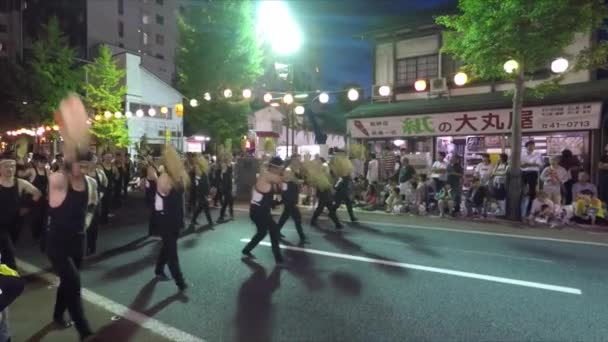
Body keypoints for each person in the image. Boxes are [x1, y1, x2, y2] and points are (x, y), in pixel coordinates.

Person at [46, 94, 97, 340]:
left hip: (78, 241)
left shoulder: (89, 183)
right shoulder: (59, 182)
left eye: (87, 165)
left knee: (68, 281)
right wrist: (69, 135)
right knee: (74, 284)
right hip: (57, 244)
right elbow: (62, 170)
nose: (84, 169)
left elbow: (92, 206)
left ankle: (57, 314)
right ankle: (84, 331)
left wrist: (86, 223)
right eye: (81, 165)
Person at [152, 146, 189, 291]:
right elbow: (163, 199)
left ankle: (158, 269)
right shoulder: (165, 178)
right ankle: (180, 282)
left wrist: (183, 217)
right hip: (165, 219)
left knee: (168, 246)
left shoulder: (178, 176)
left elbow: (181, 199)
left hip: (175, 217)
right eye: (177, 158)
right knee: (172, 251)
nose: (181, 159)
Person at [0, 152, 42, 269]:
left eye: (12, 166)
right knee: (9, 251)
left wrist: (27, 206)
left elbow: (37, 193)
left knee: (8, 248)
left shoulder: (20, 183)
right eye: (6, 166)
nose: (10, 169)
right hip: (0, 224)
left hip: (15, 223)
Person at [242, 157, 285, 263]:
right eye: (280, 168)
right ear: (275, 168)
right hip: (258, 212)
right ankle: (278, 259)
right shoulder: (266, 175)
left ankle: (246, 250)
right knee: (273, 230)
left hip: (260, 211)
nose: (281, 171)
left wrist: (277, 202)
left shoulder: (268, 176)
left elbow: (272, 193)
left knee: (262, 232)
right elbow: (281, 179)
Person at [276, 168, 306, 244]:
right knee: (297, 219)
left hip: (290, 203)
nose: (289, 174)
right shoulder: (285, 183)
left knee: (284, 217)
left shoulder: (291, 181)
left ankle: (276, 231)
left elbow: (299, 185)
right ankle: (302, 236)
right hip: (290, 203)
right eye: (287, 173)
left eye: (289, 173)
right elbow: (285, 194)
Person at [26, 153, 49, 250]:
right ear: (36, 162)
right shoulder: (32, 170)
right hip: (35, 197)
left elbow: (49, 183)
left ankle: (41, 236)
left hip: (44, 198)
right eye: (41, 162)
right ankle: (35, 236)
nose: (42, 164)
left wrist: (48, 194)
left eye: (44, 162)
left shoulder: (46, 171)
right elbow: (22, 177)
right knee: (36, 217)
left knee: (44, 217)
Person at [85, 154, 107, 256]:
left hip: (96, 203)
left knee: (94, 226)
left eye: (95, 161)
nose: (94, 163)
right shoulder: (83, 173)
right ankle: (83, 247)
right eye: (92, 161)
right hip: (83, 202)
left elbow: (105, 184)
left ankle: (92, 245)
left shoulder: (100, 173)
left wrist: (101, 195)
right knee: (83, 226)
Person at [521, 141, 544, 215]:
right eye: (530, 145)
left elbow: (540, 164)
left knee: (532, 192)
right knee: (521, 191)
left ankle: (530, 210)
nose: (531, 147)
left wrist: (528, 164)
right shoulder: (522, 153)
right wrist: (532, 164)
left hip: (533, 173)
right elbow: (520, 164)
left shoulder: (537, 154)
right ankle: (521, 209)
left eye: (533, 145)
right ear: (526, 146)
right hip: (523, 173)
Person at [190, 155, 213, 228]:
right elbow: (197, 182)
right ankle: (210, 223)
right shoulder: (198, 169)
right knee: (205, 207)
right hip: (201, 191)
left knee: (200, 207)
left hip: (203, 191)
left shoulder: (203, 169)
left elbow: (205, 181)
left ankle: (193, 220)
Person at [99, 151, 118, 224]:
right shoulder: (100, 166)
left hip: (110, 188)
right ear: (104, 157)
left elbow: (117, 175)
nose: (108, 159)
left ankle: (105, 217)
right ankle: (102, 218)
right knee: (102, 203)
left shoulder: (113, 167)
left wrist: (114, 180)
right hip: (102, 188)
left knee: (107, 203)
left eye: (110, 157)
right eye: (107, 157)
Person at [217, 156, 234, 222]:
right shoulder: (223, 171)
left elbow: (230, 170)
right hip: (225, 189)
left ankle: (223, 215)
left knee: (228, 202)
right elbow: (221, 180)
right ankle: (224, 215)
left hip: (228, 188)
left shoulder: (228, 169)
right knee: (227, 202)